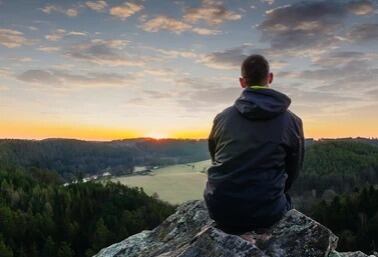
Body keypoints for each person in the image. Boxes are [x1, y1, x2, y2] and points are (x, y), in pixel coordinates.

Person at [204, 54, 304, 235]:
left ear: (242, 82)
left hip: (220, 209)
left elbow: (215, 156)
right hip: (265, 212)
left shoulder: (222, 118)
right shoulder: (292, 121)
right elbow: (293, 170)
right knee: (288, 203)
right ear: (270, 77)